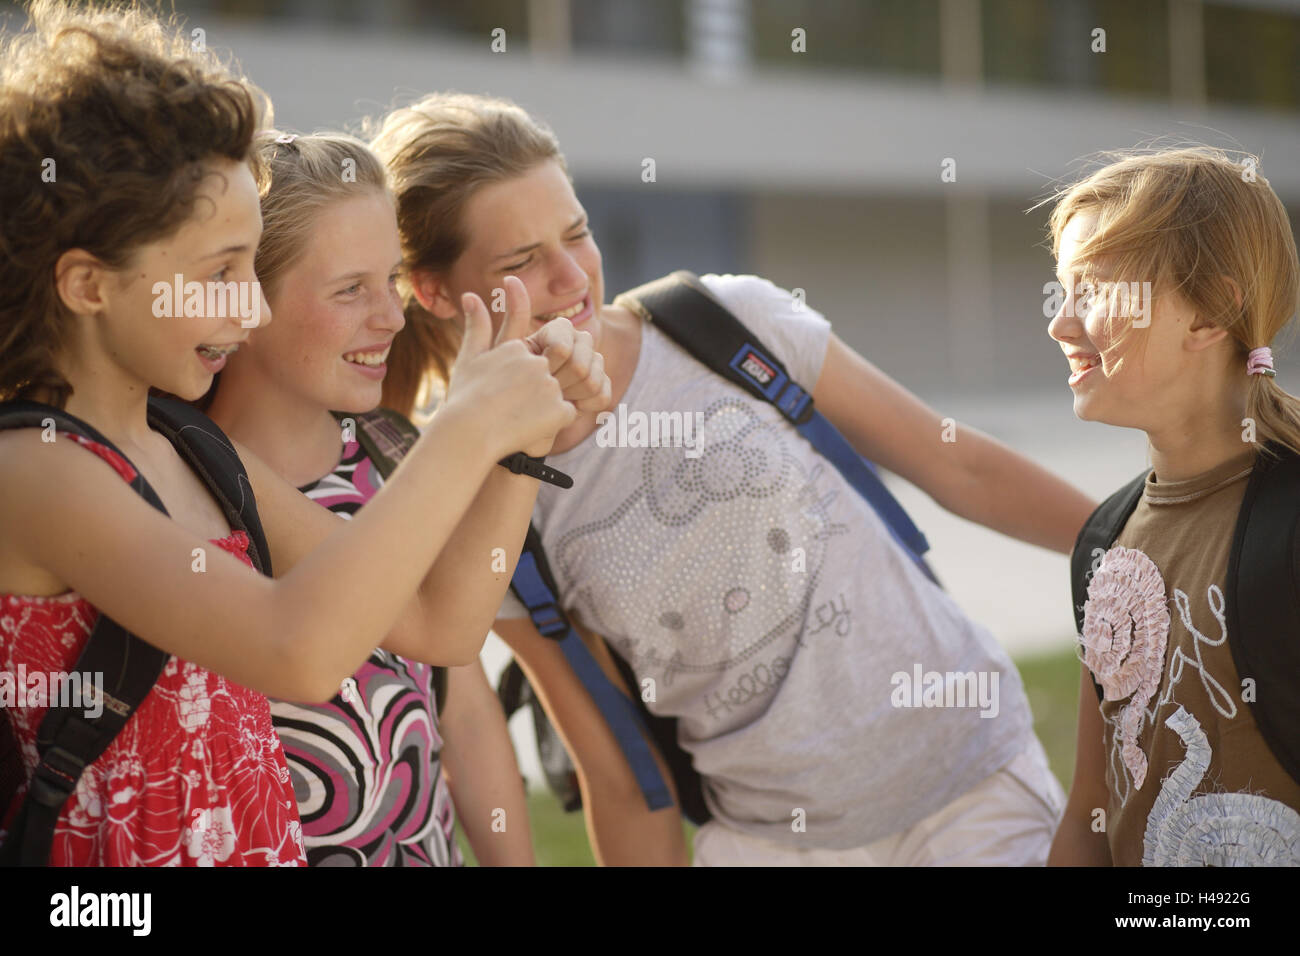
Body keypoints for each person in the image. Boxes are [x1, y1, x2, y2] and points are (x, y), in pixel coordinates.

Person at [370, 91, 1098, 866]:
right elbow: (622, 771)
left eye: (577, 233)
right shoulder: (484, 502)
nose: (569, 275)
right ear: (434, 290)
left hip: (974, 792)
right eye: (520, 262)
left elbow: (960, 465)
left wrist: (1145, 552)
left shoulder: (726, 324)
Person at [0, 3, 578, 865]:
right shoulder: (37, 469)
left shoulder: (191, 450)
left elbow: (440, 625)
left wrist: (518, 434)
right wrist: (468, 424)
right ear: (88, 284)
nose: (249, 304)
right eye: (222, 272)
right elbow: (300, 648)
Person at [207, 130, 603, 865]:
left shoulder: (393, 454)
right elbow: (440, 625)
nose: (390, 317)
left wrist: (519, 426)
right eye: (349, 289)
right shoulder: (194, 480)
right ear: (242, 305)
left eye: (390, 281)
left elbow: (466, 709)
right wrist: (496, 429)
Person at [1044, 146, 1300, 866]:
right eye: (1062, 291)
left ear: (1211, 313)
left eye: (1093, 291)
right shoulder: (1104, 542)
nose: (1061, 326)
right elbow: (1093, 813)